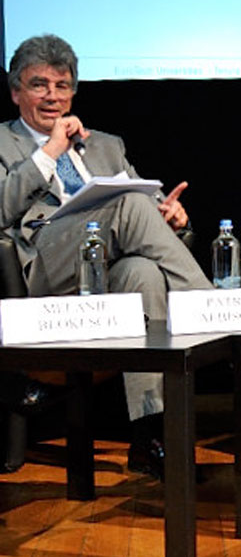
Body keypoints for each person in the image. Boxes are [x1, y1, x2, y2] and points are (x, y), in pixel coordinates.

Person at [0, 34, 212, 480]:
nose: (52, 96)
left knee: (143, 273)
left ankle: (149, 435)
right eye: (39, 85)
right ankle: (208, 308)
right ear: (16, 91)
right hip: (44, 268)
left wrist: (169, 215)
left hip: (105, 270)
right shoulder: (1, 142)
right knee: (129, 207)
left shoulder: (105, 145)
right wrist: (50, 150)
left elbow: (140, 212)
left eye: (62, 86)